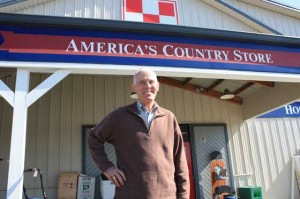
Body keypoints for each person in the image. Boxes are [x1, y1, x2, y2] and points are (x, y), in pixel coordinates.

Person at [88, 68, 190, 199]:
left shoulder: (169, 117)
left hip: (167, 195)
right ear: (133, 87)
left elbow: (180, 160)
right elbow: (94, 137)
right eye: (142, 82)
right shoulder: (120, 116)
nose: (148, 86)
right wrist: (107, 167)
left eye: (151, 82)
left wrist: (184, 195)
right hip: (130, 194)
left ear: (157, 86)